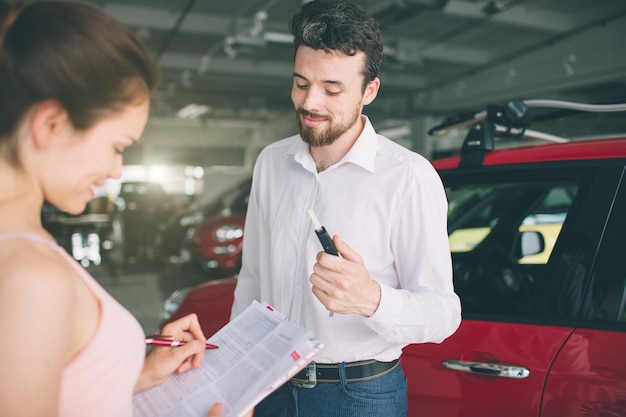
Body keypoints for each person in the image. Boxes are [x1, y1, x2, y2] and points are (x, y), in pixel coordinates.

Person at [0, 1, 249, 416]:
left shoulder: (25, 247)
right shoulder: (30, 276)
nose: (115, 169)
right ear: (51, 125)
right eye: (116, 147)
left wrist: (133, 377)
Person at [230, 1, 461, 416]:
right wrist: (238, 380)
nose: (310, 102)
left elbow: (443, 314)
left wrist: (370, 298)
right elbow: (252, 281)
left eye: (332, 90)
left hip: (357, 395)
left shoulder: (409, 177)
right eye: (301, 83)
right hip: (270, 383)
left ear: (369, 90)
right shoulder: (270, 162)